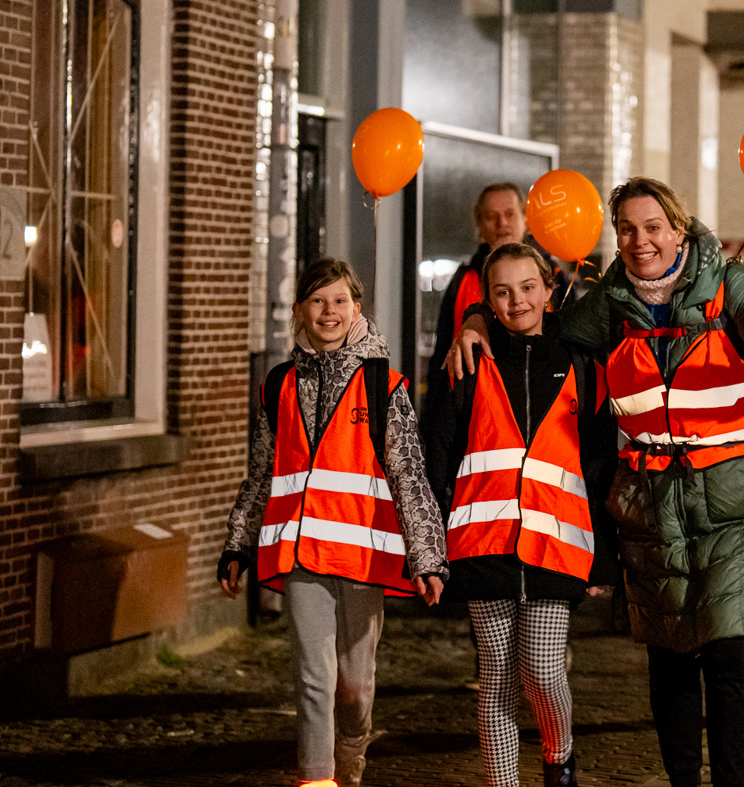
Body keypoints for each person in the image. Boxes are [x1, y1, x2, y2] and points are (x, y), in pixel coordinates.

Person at [447, 178, 744, 787]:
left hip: (738, 500)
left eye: (653, 227)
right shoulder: (609, 300)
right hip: (654, 504)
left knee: (728, 653)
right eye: (628, 229)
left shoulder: (731, 282)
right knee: (670, 657)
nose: (642, 241)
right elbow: (542, 328)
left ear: (678, 228)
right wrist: (476, 317)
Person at [220, 258, 449, 787]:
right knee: (313, 681)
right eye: (318, 301)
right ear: (299, 310)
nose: (329, 311)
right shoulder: (277, 386)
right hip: (301, 555)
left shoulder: (383, 385)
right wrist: (237, 545)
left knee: (353, 688)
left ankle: (352, 745)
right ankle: (317, 778)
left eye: (340, 300)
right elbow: (261, 473)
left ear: (356, 308)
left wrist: (428, 558)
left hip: (362, 557)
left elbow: (409, 476)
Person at [438, 243, 620, 787]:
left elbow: (601, 465)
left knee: (542, 671)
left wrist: (604, 557)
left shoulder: (581, 362)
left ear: (549, 289)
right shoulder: (467, 362)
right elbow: (438, 455)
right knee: (496, 679)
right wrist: (431, 548)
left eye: (527, 287)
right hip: (482, 543)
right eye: (501, 292)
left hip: (556, 544)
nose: (516, 300)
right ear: (487, 301)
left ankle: (559, 758)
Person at [425, 183, 570, 435]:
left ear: (525, 219)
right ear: (479, 226)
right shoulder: (462, 280)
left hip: (549, 411)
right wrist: (431, 423)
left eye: (509, 214)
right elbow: (442, 355)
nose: (501, 223)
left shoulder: (555, 278)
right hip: (478, 412)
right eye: (491, 216)